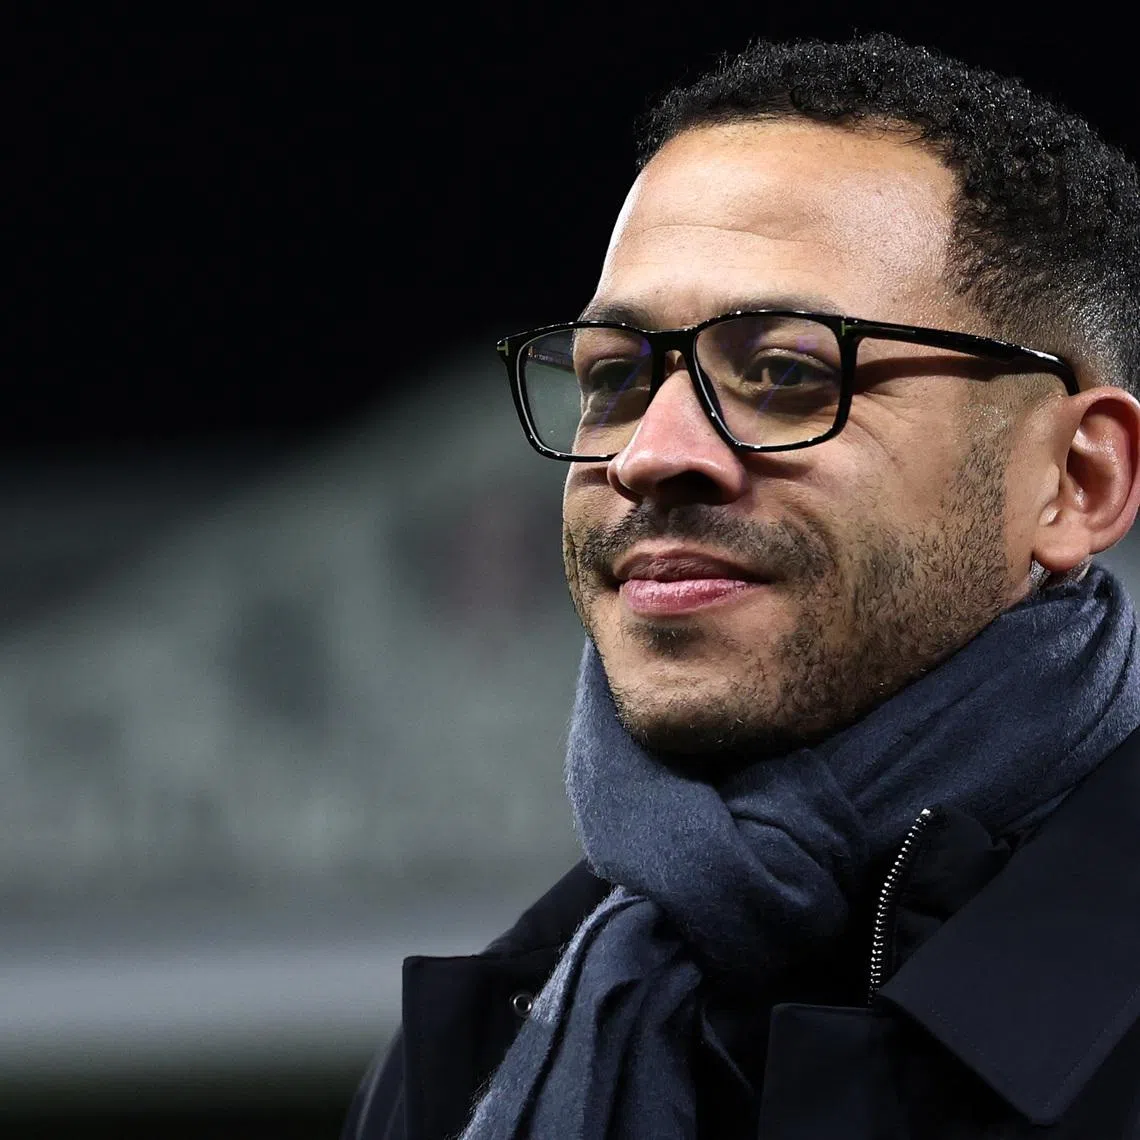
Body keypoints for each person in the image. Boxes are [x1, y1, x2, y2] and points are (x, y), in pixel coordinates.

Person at [344, 33, 1140, 1139]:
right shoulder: (478, 1047)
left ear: (1075, 480)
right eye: (615, 378)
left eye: (783, 372)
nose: (650, 454)